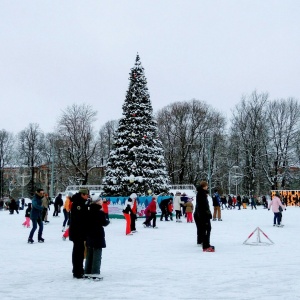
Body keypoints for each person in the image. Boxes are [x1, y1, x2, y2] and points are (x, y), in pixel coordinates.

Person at [84, 197, 110, 278]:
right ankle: (95, 272)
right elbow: (103, 223)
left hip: (89, 234)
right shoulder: (100, 213)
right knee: (97, 253)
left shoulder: (88, 211)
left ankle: (87, 271)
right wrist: (107, 222)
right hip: (98, 235)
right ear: (98, 203)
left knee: (89, 253)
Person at [69, 188, 90, 279]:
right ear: (82, 194)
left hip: (79, 231)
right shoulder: (78, 203)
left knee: (80, 251)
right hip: (78, 232)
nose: (87, 196)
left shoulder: (80, 202)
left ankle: (78, 269)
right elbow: (80, 218)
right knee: (78, 252)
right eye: (86, 195)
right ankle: (77, 271)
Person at [193, 181, 214, 252]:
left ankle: (206, 243)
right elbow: (203, 206)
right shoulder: (201, 194)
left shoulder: (202, 193)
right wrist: (206, 214)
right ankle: (205, 245)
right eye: (206, 186)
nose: (207, 187)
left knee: (207, 229)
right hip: (203, 215)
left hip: (203, 214)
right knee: (206, 229)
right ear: (204, 186)